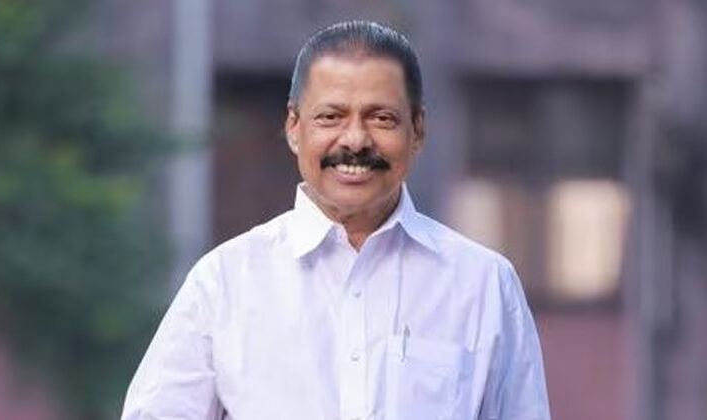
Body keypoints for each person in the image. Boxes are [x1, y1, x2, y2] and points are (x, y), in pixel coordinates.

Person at [121, 20, 551, 420]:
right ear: (294, 127)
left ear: (418, 129)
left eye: (381, 118)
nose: (356, 140)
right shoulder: (225, 283)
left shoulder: (482, 285)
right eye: (331, 117)